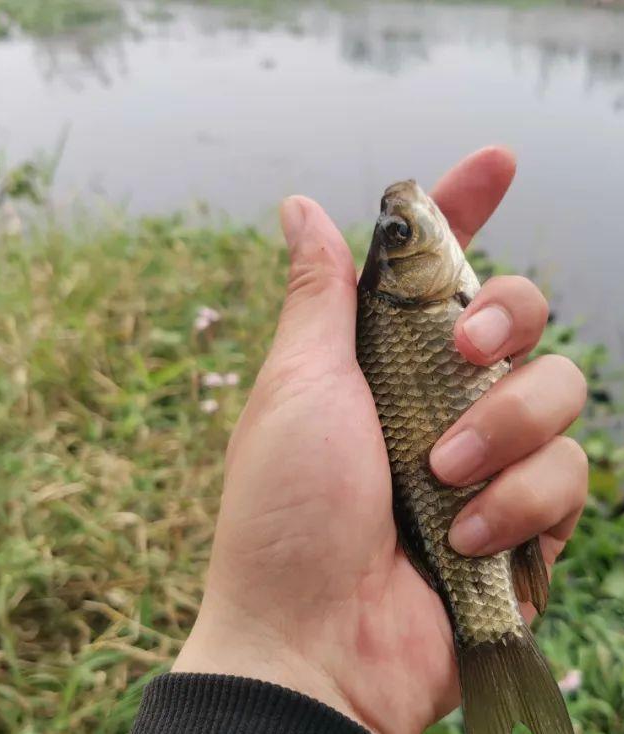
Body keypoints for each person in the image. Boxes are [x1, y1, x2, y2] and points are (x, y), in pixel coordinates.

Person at [131, 147, 589, 734]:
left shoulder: (419, 301)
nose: (405, 227)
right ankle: (490, 641)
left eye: (398, 234)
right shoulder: (421, 303)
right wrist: (289, 658)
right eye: (400, 235)